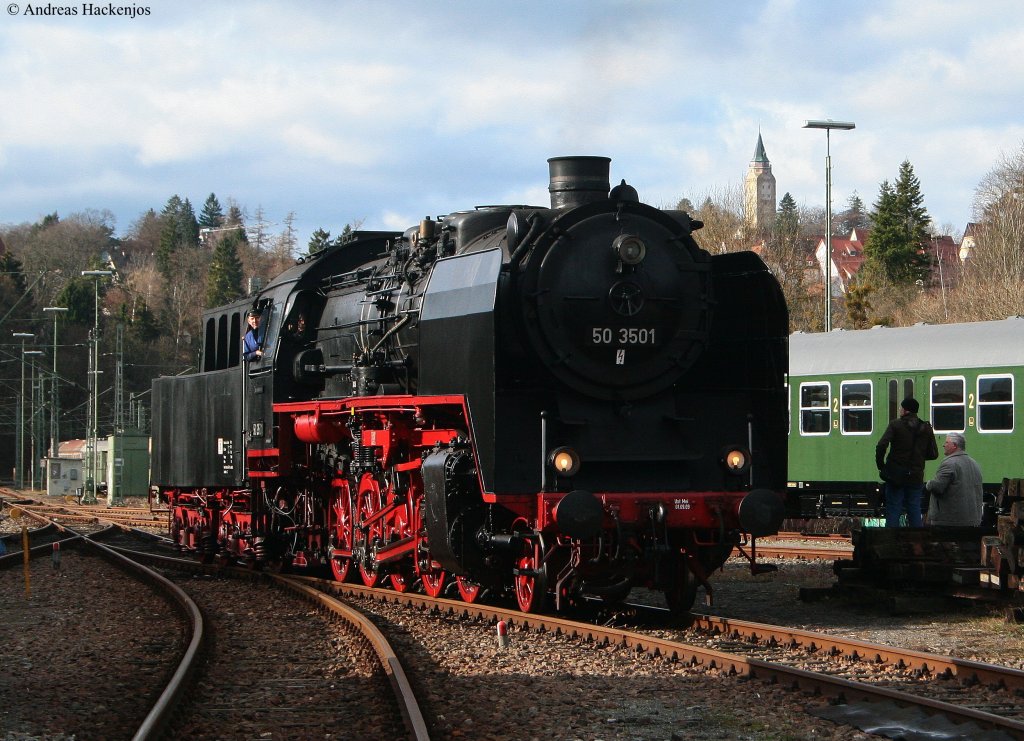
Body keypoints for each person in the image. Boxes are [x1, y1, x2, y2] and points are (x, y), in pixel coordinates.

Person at [875, 397, 939, 527]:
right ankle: (917, 542)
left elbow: (881, 445)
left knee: (894, 508)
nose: (899, 409)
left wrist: (881, 465)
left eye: (901, 408)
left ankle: (891, 541)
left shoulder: (895, 425)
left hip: (895, 476)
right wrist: (918, 458)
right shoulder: (926, 428)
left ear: (905, 410)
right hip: (916, 476)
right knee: (914, 508)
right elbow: (933, 454)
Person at [925, 432, 984, 526]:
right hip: (973, 520)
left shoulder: (949, 464)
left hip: (951, 521)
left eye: (947, 442)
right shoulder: (974, 463)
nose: (943, 445)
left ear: (954, 445)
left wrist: (929, 483)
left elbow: (938, 487)